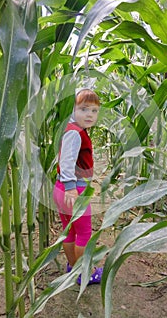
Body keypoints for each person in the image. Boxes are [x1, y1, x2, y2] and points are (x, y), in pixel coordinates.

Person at [53, 88, 103, 285]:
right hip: (74, 191)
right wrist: (71, 188)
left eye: (94, 110)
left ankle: (73, 267)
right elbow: (66, 162)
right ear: (72, 110)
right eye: (83, 109)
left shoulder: (71, 130)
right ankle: (84, 274)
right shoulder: (75, 134)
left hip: (61, 188)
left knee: (70, 230)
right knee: (84, 234)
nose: (89, 114)